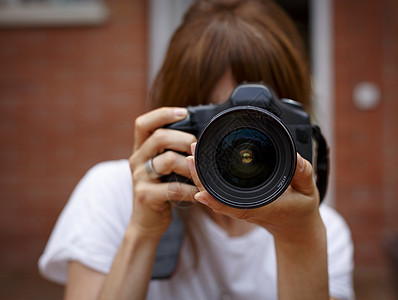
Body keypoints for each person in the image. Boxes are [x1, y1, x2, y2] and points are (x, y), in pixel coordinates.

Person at [38, 0, 354, 299]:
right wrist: (141, 232)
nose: (242, 147)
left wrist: (300, 238)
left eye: (262, 121)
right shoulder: (114, 194)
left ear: (296, 126)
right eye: (218, 121)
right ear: (176, 119)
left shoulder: (323, 229)